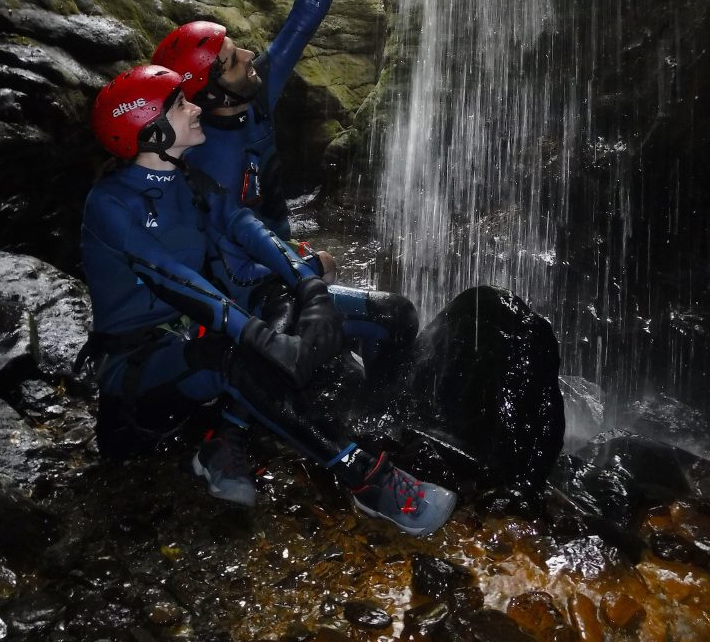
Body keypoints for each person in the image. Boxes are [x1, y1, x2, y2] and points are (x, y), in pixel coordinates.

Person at [80, 63, 458, 536]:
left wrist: (308, 285)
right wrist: (262, 336)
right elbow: (175, 280)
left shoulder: (188, 180)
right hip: (139, 373)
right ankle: (368, 480)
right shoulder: (110, 205)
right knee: (232, 356)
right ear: (150, 131)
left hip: (199, 334)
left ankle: (374, 421)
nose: (196, 106)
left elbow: (245, 226)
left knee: (387, 312)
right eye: (180, 104)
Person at [152, 0, 417, 381]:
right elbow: (227, 259)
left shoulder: (257, 93)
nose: (250, 54)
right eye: (232, 59)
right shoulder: (202, 160)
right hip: (255, 297)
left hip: (283, 266)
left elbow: (304, 15)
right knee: (397, 316)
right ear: (207, 94)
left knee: (347, 332)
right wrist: (306, 271)